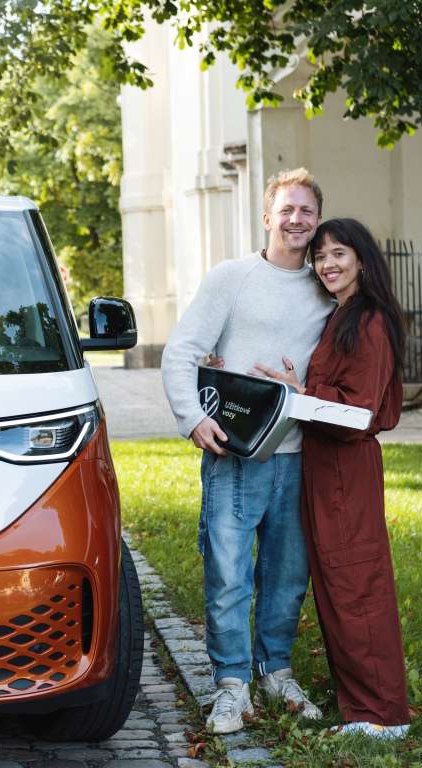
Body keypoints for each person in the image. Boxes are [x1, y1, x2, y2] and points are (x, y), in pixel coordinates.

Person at [161, 168, 335, 734]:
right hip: (235, 453)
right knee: (229, 573)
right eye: (287, 209)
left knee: (287, 575)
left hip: (299, 453)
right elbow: (181, 352)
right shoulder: (231, 278)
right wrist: (192, 418)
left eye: (306, 211)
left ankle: (275, 671)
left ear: (317, 219)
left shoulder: (326, 289)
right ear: (266, 217)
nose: (296, 220)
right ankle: (231, 685)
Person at [251, 217, 410, 739]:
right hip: (324, 467)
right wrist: (297, 389)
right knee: (338, 587)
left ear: (362, 259)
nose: (327, 264)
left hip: (346, 468)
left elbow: (357, 413)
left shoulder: (370, 321)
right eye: (320, 257)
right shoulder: (343, 316)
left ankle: (383, 716)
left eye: (338, 253)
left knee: (356, 583)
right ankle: (361, 707)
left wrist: (302, 397)